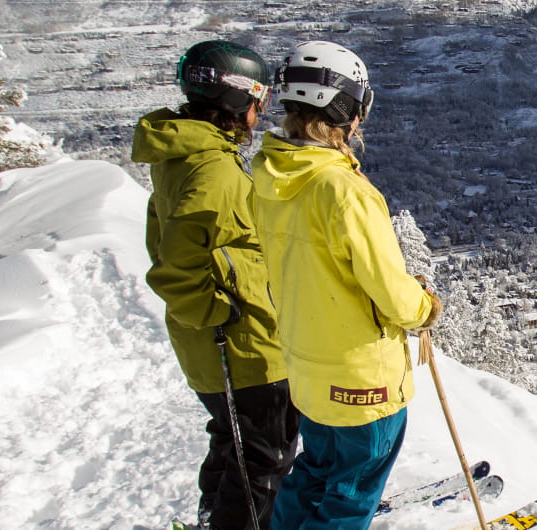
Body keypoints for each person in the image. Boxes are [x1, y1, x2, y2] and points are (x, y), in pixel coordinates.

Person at [250, 40, 442, 529]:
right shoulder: (345, 191)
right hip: (363, 378)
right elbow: (392, 295)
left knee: (314, 471)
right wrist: (424, 307)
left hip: (307, 367)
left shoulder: (268, 176)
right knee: (352, 492)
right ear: (352, 113)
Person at [131, 40, 298, 530]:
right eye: (258, 100)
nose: (260, 113)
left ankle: (215, 517)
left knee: (234, 440)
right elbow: (176, 266)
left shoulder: (186, 156)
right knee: (267, 455)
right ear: (237, 100)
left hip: (213, 342)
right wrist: (215, 312)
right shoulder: (213, 170)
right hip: (241, 344)